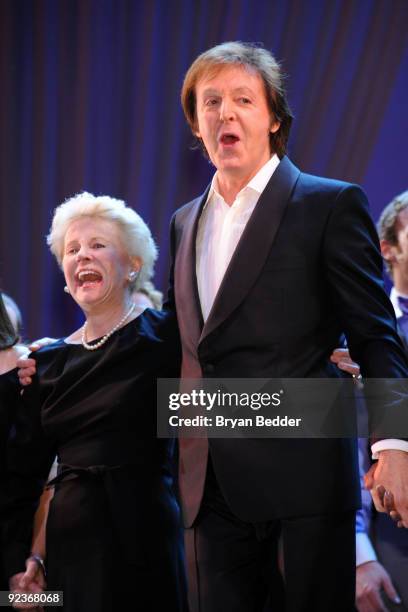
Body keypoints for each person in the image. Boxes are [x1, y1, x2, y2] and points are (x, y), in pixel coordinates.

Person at [167, 41, 408, 611]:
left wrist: (394, 443)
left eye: (242, 99)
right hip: (207, 485)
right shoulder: (182, 223)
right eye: (211, 101)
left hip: (302, 479)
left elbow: (376, 335)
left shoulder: (328, 204)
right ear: (196, 125)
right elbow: (186, 344)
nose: (224, 112)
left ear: (274, 118)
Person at [1, 192, 186, 611]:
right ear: (65, 278)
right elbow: (22, 480)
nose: (83, 256)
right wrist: (23, 561)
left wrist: (324, 380)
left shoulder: (168, 338)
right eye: (72, 249)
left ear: (132, 265)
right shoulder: (46, 364)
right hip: (71, 551)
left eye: (98, 245)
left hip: (148, 533)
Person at [334, 190, 408, 611]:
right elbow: (348, 449)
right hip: (394, 540)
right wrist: (360, 553)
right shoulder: (357, 343)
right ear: (388, 250)